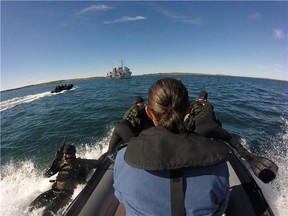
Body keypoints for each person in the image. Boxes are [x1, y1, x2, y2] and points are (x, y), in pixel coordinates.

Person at [113, 78, 231, 216]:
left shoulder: (123, 159)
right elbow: (220, 209)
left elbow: (121, 197)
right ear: (188, 109)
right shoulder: (218, 166)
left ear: (149, 113)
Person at [184, 90, 278, 183]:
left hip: (199, 130)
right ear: (206, 98)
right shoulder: (209, 105)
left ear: (198, 97)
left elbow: (189, 121)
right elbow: (216, 120)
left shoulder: (193, 104)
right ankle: (248, 155)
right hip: (214, 128)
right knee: (230, 139)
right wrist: (219, 132)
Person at [28, 145, 100, 216]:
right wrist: (57, 159)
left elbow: (97, 163)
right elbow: (47, 174)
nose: (69, 157)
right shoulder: (61, 163)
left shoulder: (80, 163)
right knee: (32, 206)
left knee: (47, 212)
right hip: (55, 190)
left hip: (67, 193)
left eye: (70, 154)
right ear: (64, 155)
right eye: (67, 155)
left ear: (74, 154)